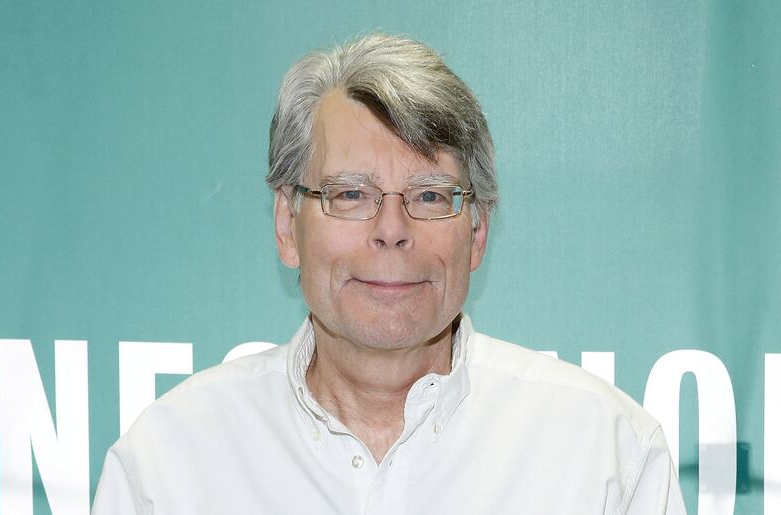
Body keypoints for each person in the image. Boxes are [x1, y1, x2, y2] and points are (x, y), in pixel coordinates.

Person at [92, 33, 687, 514]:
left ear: (476, 232)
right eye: (351, 193)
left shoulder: (608, 455)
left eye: (430, 196)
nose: (392, 228)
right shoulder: (168, 462)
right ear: (286, 223)